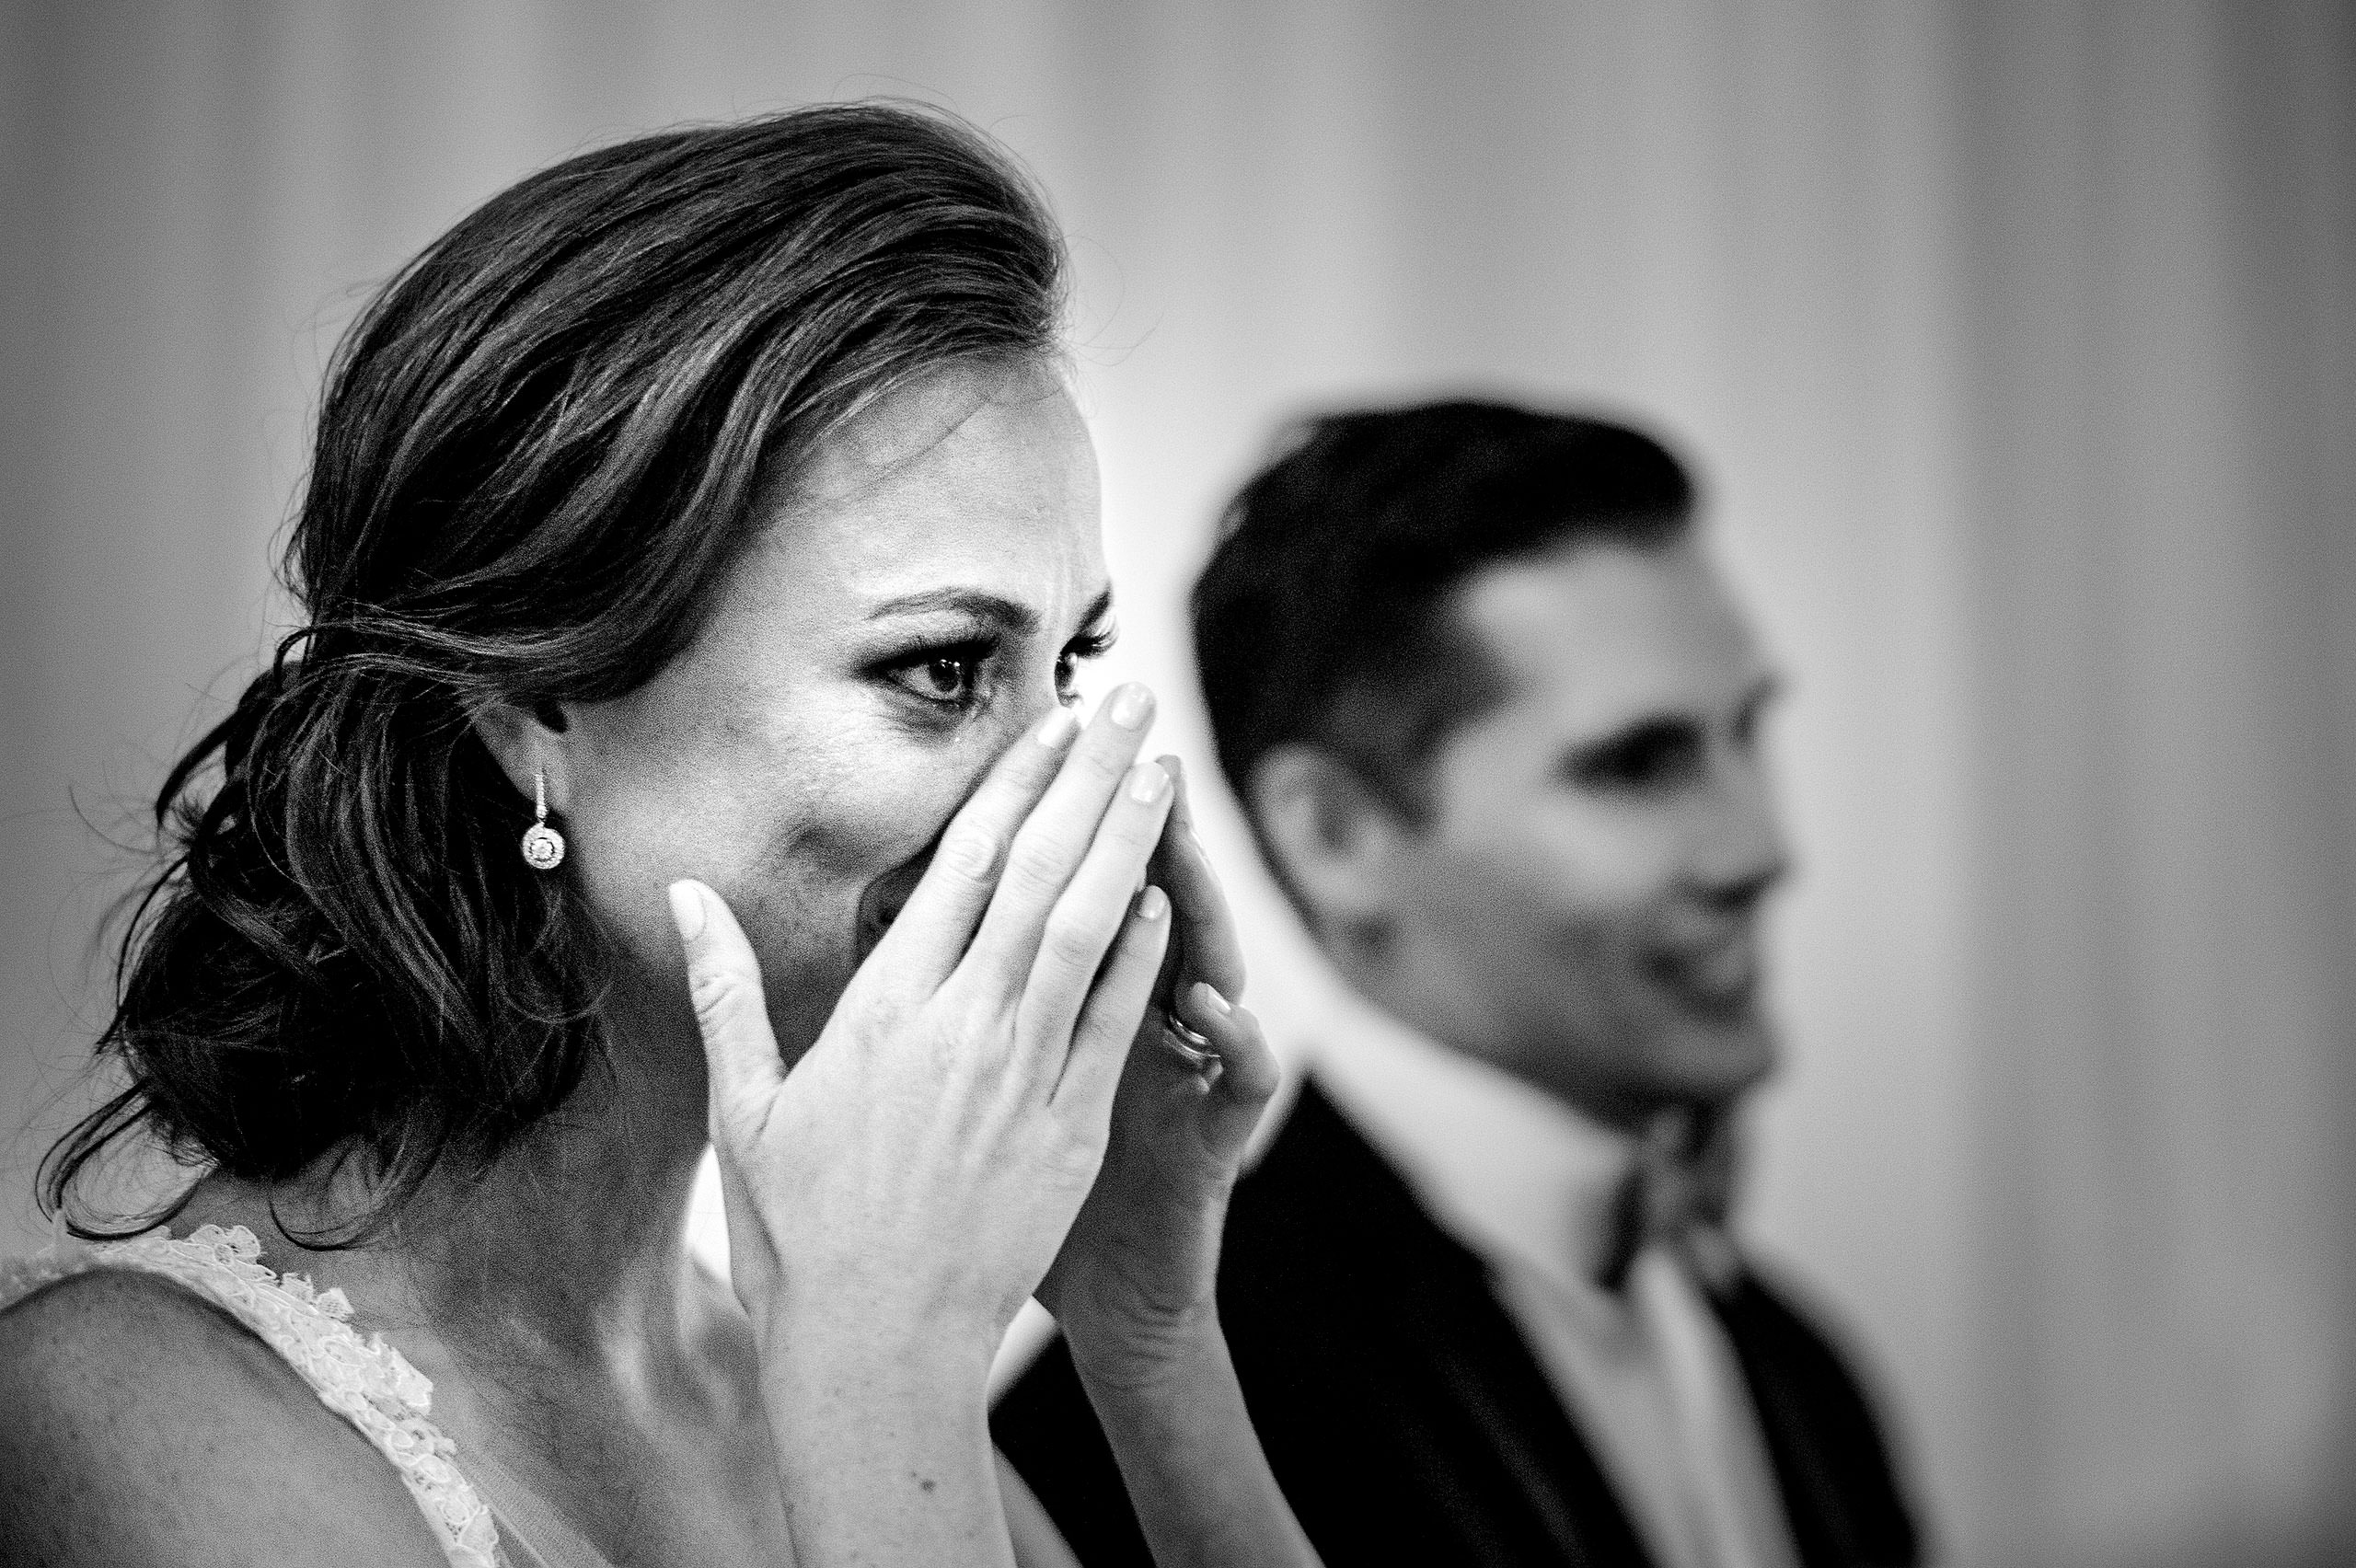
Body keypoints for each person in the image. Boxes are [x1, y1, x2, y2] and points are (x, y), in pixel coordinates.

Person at [0, 105, 1322, 1568]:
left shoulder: (818, 1375)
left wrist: (1148, 1333)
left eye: (1065, 671)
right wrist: (885, 1380)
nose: (1061, 801)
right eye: (944, 669)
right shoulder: (128, 1415)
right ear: (535, 696)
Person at [995, 402, 1925, 1567]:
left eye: (1746, 735)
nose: (1759, 848)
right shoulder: (1131, 1430)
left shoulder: (1793, 1364)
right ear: (1335, 835)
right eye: (1638, 765)